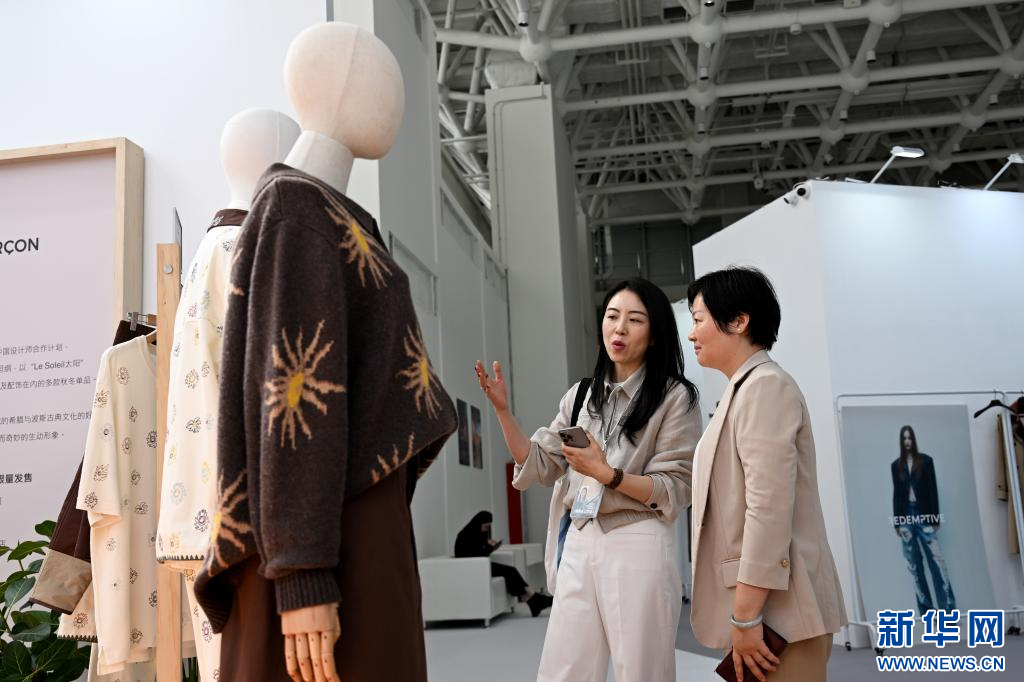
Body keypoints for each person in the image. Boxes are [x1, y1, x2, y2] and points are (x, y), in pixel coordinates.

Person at [475, 277, 702, 682]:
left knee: (642, 670)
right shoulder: (581, 395)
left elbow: (675, 487)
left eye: (635, 320)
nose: (620, 328)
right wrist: (503, 412)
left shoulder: (675, 397)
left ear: (654, 335)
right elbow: (541, 463)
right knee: (564, 670)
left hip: (637, 538)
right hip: (579, 537)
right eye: (612, 316)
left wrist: (607, 475)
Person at [686, 267, 846, 682]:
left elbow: (768, 510)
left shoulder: (765, 387)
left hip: (777, 614)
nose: (691, 334)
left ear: (739, 321)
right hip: (763, 609)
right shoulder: (745, 389)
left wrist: (745, 617)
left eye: (699, 319)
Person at [891, 425, 955, 615]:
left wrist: (935, 516)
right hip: (905, 517)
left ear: (914, 439)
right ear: (901, 441)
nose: (907, 441)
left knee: (937, 562)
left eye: (910, 437)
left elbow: (932, 489)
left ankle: (948, 611)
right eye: (904, 438)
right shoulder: (896, 465)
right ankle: (927, 613)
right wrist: (897, 521)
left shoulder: (926, 461)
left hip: (924, 514)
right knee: (914, 566)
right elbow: (897, 494)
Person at [453, 511, 553, 616]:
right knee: (510, 571)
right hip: (471, 568)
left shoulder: (477, 533)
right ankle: (535, 599)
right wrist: (489, 548)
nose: (486, 530)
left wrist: (490, 547)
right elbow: (471, 555)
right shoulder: (465, 535)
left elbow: (481, 554)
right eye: (485, 527)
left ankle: (533, 600)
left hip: (481, 565)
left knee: (510, 572)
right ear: (478, 523)